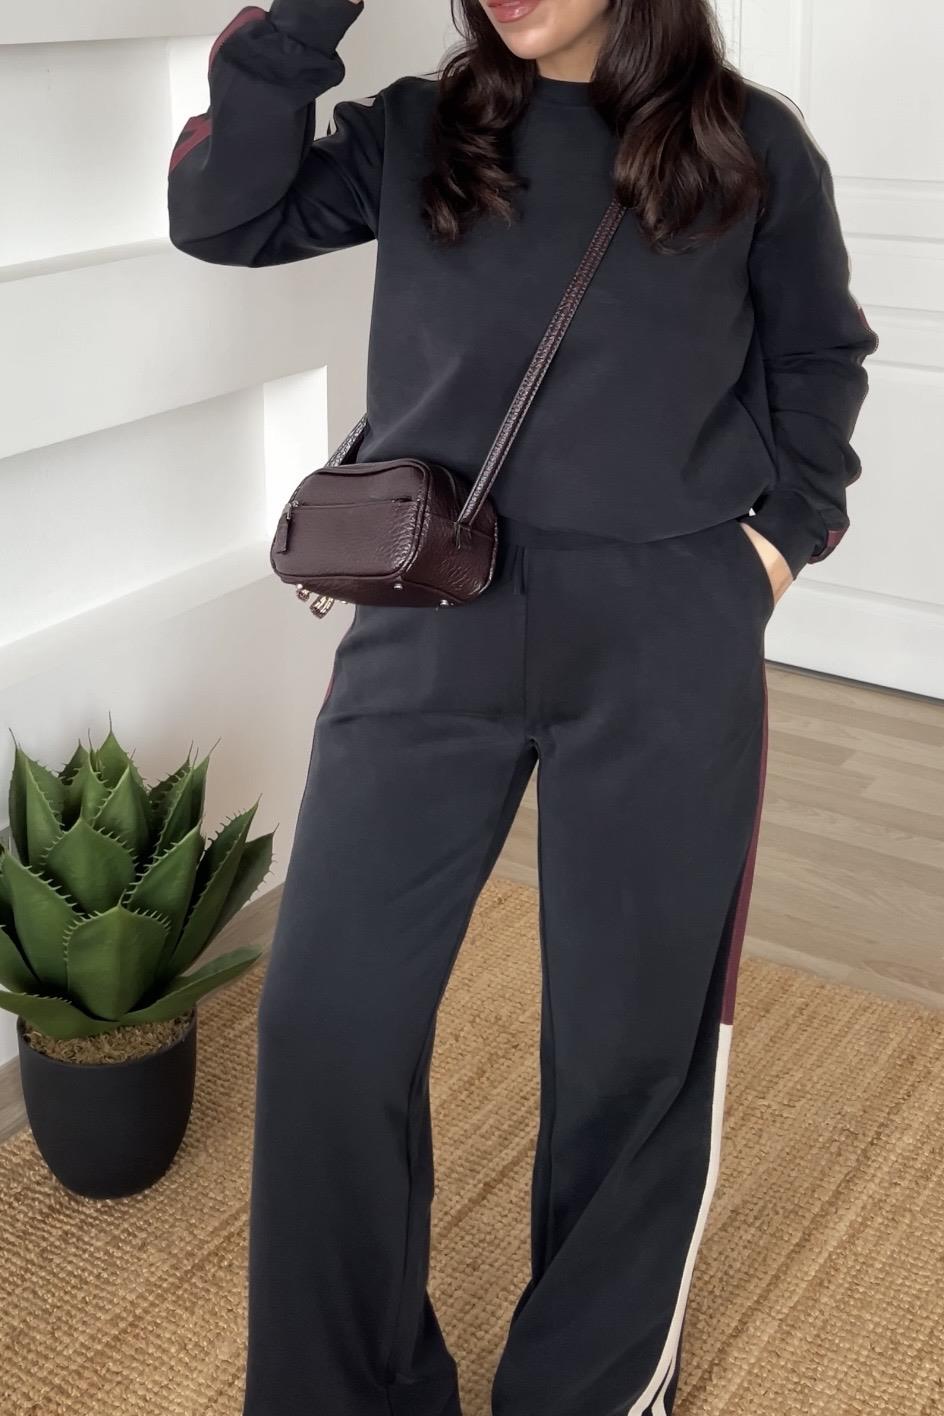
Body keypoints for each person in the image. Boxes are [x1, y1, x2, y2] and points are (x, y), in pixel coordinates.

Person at [168, 1, 879, 1412]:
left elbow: (821, 359)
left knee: (631, 1046)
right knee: (327, 1020)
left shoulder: (750, 149)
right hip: (430, 623)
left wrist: (772, 550)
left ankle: (588, 1388)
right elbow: (222, 214)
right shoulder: (421, 131)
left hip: (665, 638)